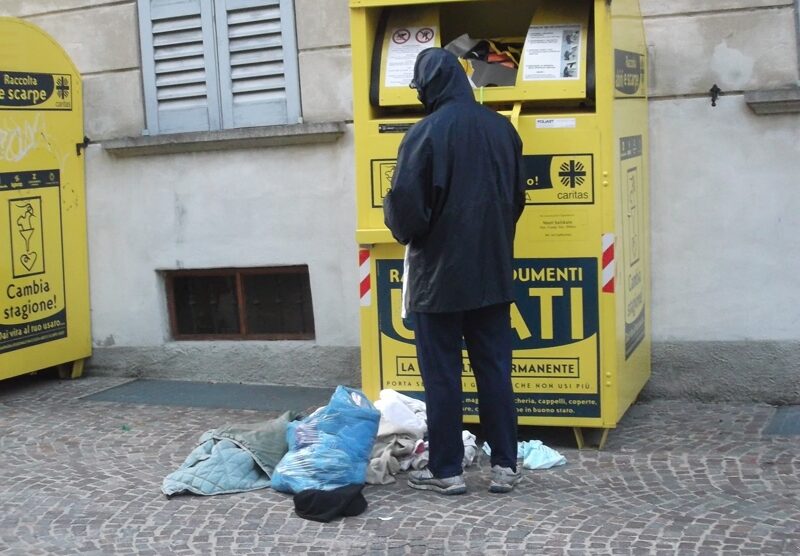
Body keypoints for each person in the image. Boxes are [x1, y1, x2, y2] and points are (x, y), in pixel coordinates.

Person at [383, 48, 526, 495]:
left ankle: (447, 471)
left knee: (443, 375)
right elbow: (517, 199)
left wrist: (401, 222)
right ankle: (505, 465)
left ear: (429, 87)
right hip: (493, 272)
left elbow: (407, 212)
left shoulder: (423, 134)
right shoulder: (503, 130)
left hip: (439, 279)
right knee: (495, 370)